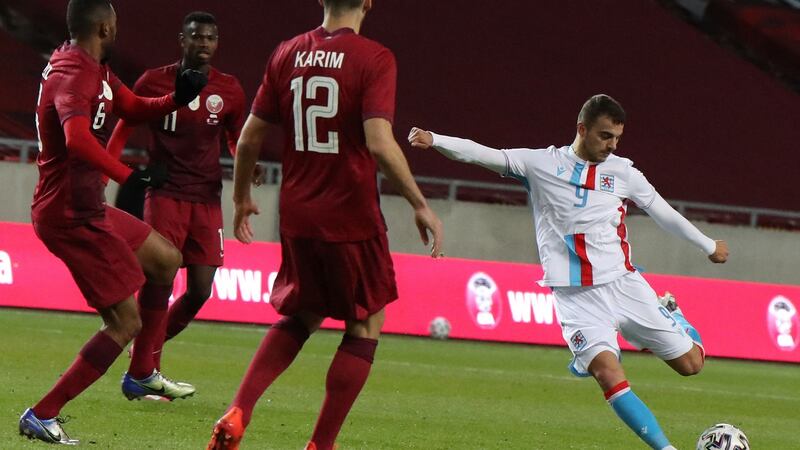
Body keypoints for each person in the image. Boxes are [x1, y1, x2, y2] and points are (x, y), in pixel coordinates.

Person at [408, 94, 729, 450]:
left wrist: (707, 245)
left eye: (617, 138)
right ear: (582, 129)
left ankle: (672, 312)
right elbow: (483, 154)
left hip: (623, 284)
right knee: (607, 373)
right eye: (605, 136)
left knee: (691, 365)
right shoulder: (540, 164)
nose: (612, 145)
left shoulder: (624, 173)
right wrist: (435, 139)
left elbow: (663, 212)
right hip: (575, 298)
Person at [206, 1, 443, 449]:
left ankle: (239, 410)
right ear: (368, 2)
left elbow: (250, 136)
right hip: (350, 214)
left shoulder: (286, 52)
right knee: (365, 323)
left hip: (297, 213)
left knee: (304, 312)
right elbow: (379, 142)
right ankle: (321, 444)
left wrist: (240, 199)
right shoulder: (374, 58)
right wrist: (419, 203)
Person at [18, 0, 206, 444]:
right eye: (115, 24)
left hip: (87, 205)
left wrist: (176, 99)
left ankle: (142, 373)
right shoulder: (74, 73)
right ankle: (42, 413)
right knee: (124, 323)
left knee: (165, 260)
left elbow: (132, 106)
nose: (118, 30)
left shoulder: (92, 66)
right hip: (70, 214)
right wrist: (128, 176)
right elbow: (77, 140)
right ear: (104, 27)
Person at [108, 11, 251, 397]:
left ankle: (144, 356)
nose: (204, 43)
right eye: (196, 36)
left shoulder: (229, 88)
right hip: (166, 194)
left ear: (217, 43)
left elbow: (235, 136)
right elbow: (125, 123)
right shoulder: (153, 81)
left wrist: (245, 163)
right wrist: (114, 171)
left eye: (210, 37)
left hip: (207, 198)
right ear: (182, 39)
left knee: (201, 290)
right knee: (161, 279)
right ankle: (145, 370)